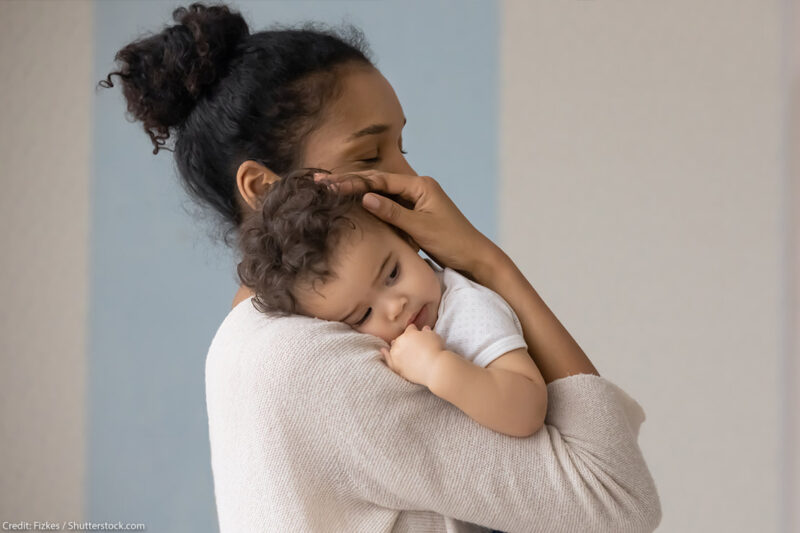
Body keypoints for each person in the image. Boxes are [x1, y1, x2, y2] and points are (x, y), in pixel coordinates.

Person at [101, 3, 662, 532]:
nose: (416, 181)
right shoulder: (315, 365)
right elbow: (616, 499)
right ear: (264, 189)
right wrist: (488, 263)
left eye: (402, 146)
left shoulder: (268, 341)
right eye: (369, 156)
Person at [237, 172, 548, 438]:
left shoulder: (466, 309)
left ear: (408, 239)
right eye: (364, 315)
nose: (395, 307)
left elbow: (528, 407)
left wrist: (437, 368)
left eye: (393, 273)